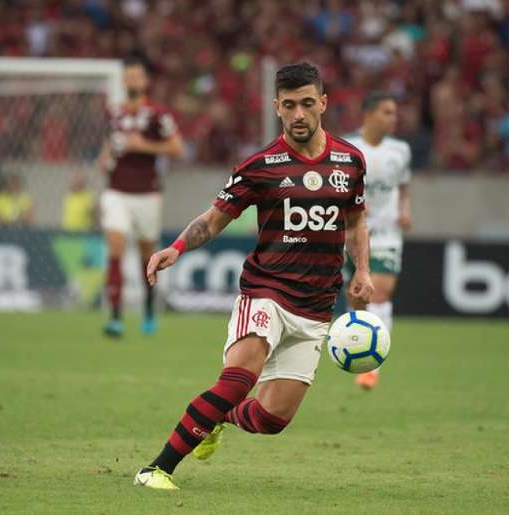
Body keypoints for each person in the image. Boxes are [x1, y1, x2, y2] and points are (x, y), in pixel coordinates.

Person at [134, 62, 373, 490]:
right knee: (239, 379)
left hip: (316, 307)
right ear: (277, 107)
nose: (298, 114)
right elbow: (213, 219)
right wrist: (177, 248)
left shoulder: (351, 161)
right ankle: (156, 468)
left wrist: (364, 271)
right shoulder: (260, 165)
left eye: (306, 104)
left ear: (323, 102)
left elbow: (355, 222)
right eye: (288, 106)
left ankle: (219, 417)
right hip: (267, 292)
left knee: (271, 419)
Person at [97, 56, 183, 338]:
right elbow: (112, 143)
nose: (132, 81)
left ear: (145, 81)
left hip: (147, 193)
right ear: (123, 80)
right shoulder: (113, 113)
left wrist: (143, 144)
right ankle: (115, 316)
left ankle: (147, 309)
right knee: (116, 247)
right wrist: (105, 156)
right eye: (128, 76)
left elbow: (176, 148)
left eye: (137, 76)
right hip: (116, 191)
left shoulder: (158, 115)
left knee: (147, 253)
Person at [343, 92, 411, 390]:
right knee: (357, 294)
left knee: (381, 291)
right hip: (352, 230)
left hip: (387, 232)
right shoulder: (348, 148)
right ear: (368, 115)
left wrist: (405, 211)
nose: (393, 118)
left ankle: (373, 364)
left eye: (394, 113)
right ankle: (355, 346)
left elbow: (404, 187)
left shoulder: (401, 150)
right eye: (387, 112)